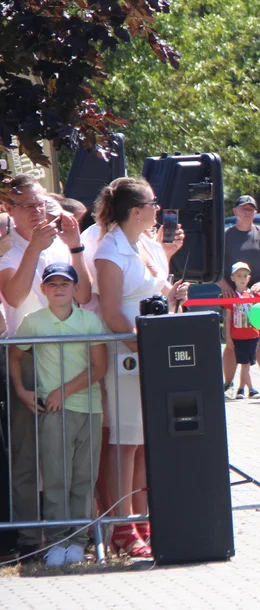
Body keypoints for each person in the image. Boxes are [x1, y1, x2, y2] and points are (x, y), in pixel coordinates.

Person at [94, 176, 187, 556]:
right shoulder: (109, 251)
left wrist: (174, 296)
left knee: (147, 442)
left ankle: (144, 520)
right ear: (135, 211)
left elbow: (158, 292)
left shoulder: (149, 244)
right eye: (152, 204)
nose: (157, 209)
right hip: (126, 353)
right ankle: (121, 526)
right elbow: (112, 313)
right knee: (124, 442)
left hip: (155, 352)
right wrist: (144, 342)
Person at [0, 174, 91, 559]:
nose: (39, 213)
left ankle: (70, 533)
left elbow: (84, 295)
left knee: (65, 449)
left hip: (69, 355)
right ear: (9, 210)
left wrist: (74, 247)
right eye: (29, 206)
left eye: (43, 205)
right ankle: (28, 537)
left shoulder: (58, 248)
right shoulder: (9, 253)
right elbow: (15, 295)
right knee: (26, 451)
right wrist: (35, 249)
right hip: (28, 357)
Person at [8, 263, 107, 566]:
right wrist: (23, 391)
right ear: (44, 290)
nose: (59, 288)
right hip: (53, 413)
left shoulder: (89, 321)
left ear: (76, 288)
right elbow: (14, 353)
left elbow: (99, 367)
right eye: (52, 284)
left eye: (65, 283)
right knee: (55, 479)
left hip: (88, 409)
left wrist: (63, 391)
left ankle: (77, 541)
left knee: (82, 478)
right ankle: (56, 541)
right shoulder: (34, 322)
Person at [218, 195, 260, 398]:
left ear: (256, 212)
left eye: (251, 209)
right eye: (243, 208)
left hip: (258, 299)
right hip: (232, 297)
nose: (247, 212)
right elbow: (213, 266)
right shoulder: (225, 236)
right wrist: (223, 284)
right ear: (235, 211)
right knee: (231, 342)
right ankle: (228, 385)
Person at [225, 262, 260, 400]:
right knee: (245, 364)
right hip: (237, 336)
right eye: (239, 276)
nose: (242, 279)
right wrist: (228, 338)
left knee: (247, 364)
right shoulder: (232, 296)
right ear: (232, 278)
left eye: (245, 276)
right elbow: (228, 318)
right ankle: (251, 389)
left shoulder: (253, 295)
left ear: (249, 278)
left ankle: (242, 389)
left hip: (253, 336)